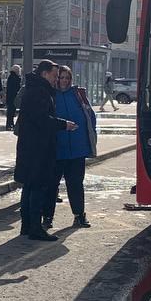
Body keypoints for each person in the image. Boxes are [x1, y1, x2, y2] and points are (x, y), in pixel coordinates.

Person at [15, 60, 77, 242]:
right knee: (37, 186)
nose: (56, 80)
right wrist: (63, 124)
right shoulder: (39, 91)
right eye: (54, 75)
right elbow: (42, 119)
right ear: (44, 73)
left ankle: (27, 226)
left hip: (31, 146)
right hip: (38, 147)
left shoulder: (34, 89)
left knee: (29, 186)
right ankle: (34, 227)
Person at [44, 65, 96, 230]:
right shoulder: (50, 95)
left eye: (67, 78)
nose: (64, 81)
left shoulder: (78, 95)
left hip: (77, 149)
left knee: (76, 184)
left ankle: (79, 215)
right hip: (57, 149)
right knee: (51, 185)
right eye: (61, 77)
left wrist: (89, 139)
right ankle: (47, 217)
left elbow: (90, 116)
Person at [5, 64, 22, 131]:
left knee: (11, 111)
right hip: (13, 97)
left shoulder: (11, 77)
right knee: (11, 112)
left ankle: (10, 124)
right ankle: (9, 124)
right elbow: (16, 88)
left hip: (10, 97)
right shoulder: (15, 78)